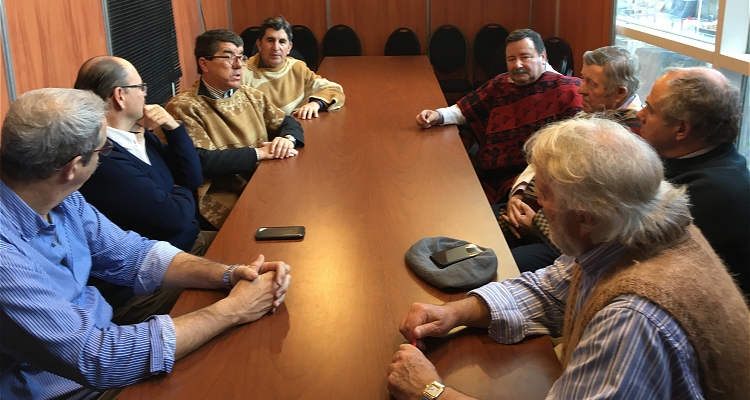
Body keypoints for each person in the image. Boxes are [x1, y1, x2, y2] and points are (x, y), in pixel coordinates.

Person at [388, 117, 749, 400]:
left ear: (584, 218)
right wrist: (456, 312)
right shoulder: (632, 229)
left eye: (544, 194)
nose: (538, 203)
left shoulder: (632, 321)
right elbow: (552, 289)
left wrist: (431, 391)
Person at [0, 88, 292, 399]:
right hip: (73, 388)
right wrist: (232, 311)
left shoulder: (62, 197)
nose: (105, 157)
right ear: (72, 168)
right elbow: (99, 359)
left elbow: (134, 254)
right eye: (104, 150)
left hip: (105, 352)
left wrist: (230, 273)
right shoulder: (6, 258)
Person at [500, 46, 642, 272]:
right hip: (535, 211)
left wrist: (537, 223)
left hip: (564, 242)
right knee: (479, 225)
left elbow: (593, 224)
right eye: (583, 79)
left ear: (619, 93)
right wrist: (518, 194)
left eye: (591, 84)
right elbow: (542, 162)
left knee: (503, 263)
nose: (581, 90)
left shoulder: (627, 139)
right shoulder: (596, 111)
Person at [415, 29, 582, 204]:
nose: (517, 65)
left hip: (532, 183)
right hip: (488, 176)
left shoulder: (570, 92)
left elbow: (561, 156)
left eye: (525, 57)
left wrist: (522, 189)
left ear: (542, 56)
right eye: (511, 59)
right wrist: (438, 115)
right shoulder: (501, 84)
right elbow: (465, 109)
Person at [166, 29, 305, 229]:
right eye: (229, 57)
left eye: (241, 57)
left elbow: (287, 122)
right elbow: (201, 159)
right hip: (225, 193)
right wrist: (259, 153)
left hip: (264, 178)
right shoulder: (184, 106)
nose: (239, 65)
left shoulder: (250, 94)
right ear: (204, 63)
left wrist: (287, 139)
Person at [75, 56, 210, 255]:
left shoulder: (139, 133)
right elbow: (174, 217)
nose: (145, 93)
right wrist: (180, 190)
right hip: (165, 264)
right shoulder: (103, 157)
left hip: (189, 241)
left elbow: (191, 177)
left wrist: (173, 128)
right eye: (141, 87)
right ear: (120, 95)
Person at [636, 67, 750, 296]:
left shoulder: (707, 194)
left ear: (681, 129)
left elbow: (630, 259)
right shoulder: (690, 158)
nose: (640, 115)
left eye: (650, 109)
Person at [243, 16, 345, 119]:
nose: (276, 48)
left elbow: (333, 89)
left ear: (289, 47)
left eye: (282, 42)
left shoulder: (296, 67)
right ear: (259, 44)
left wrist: (316, 104)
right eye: (270, 40)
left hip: (296, 129)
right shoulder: (243, 74)